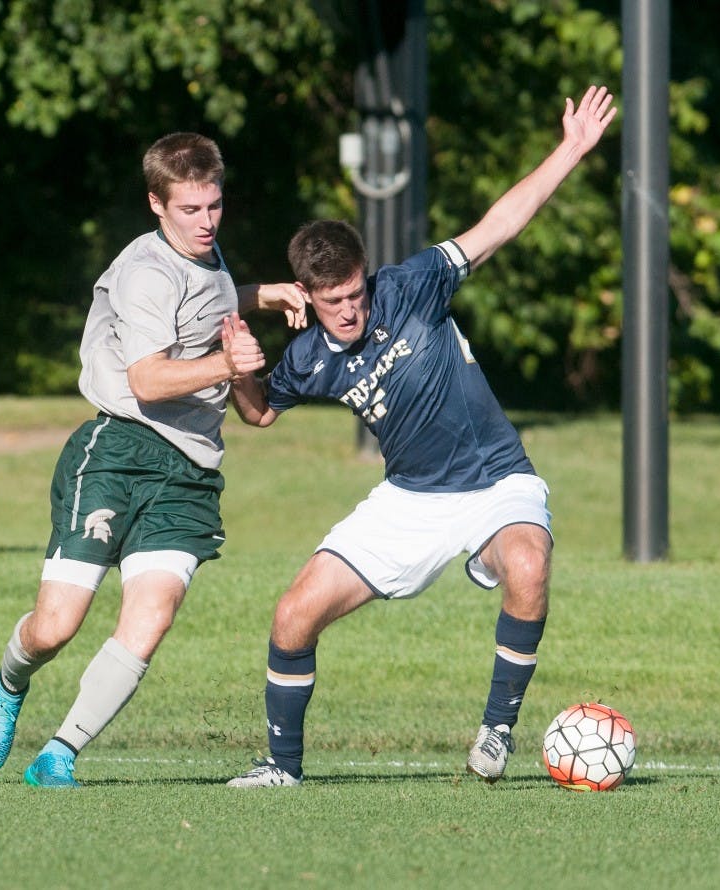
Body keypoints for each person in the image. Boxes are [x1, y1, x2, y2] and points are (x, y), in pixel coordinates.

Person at [223, 85, 617, 787]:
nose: (348, 309)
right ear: (306, 296)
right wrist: (235, 371)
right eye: (332, 300)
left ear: (366, 277)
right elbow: (258, 414)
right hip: (410, 499)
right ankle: (282, 768)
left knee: (527, 565)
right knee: (292, 615)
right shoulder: (310, 358)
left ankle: (497, 731)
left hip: (498, 480)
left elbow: (499, 224)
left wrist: (572, 148)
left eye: (355, 293)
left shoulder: (412, 286)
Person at [0, 132, 306, 788]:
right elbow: (150, 380)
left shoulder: (207, 256)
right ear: (157, 204)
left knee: (151, 617)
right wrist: (229, 362)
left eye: (214, 206)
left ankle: (59, 754)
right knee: (56, 626)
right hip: (119, 450)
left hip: (191, 470)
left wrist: (269, 293)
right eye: (190, 210)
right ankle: (10, 683)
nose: (207, 221)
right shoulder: (144, 271)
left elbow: (212, 298)